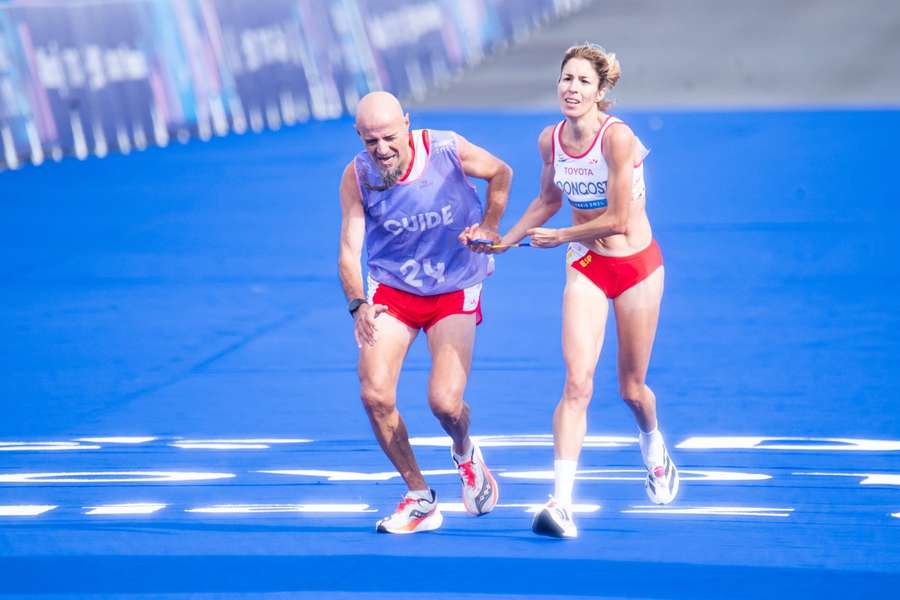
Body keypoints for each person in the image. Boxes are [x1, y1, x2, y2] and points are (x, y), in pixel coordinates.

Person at [491, 44, 679, 538]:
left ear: (600, 92)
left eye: (582, 82)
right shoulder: (549, 139)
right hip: (588, 266)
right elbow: (550, 198)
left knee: (632, 390)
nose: (571, 89)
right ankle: (562, 502)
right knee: (577, 382)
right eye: (565, 79)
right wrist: (505, 240)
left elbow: (618, 220)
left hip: (635, 266)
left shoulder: (617, 140)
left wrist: (561, 237)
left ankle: (654, 448)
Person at [338, 91, 511, 533]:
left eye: (390, 138)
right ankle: (419, 496)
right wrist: (358, 302)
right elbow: (348, 250)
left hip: (455, 284)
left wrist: (490, 224)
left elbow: (500, 172)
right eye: (370, 141)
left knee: (445, 404)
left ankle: (466, 452)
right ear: (359, 137)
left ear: (408, 125)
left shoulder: (447, 148)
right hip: (393, 289)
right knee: (375, 395)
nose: (381, 150)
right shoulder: (357, 176)